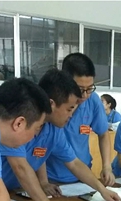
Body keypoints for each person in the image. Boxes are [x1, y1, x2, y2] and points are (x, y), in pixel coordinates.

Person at [0, 69, 121, 201]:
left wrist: (102, 190)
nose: (71, 115)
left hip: (16, 192)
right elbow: (20, 167)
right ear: (51, 104)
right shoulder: (22, 123)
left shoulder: (54, 130)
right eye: (69, 109)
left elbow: (74, 163)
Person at [46, 53, 115, 186]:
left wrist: (107, 166)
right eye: (80, 89)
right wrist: (43, 181)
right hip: (51, 178)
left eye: (89, 88)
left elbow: (103, 134)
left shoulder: (93, 100)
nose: (84, 95)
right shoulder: (54, 103)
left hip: (82, 175)